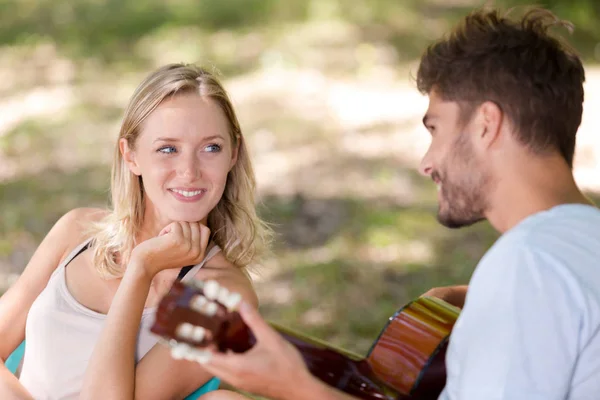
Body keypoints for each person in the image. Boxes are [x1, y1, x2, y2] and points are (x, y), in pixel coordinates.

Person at [194, 6, 600, 400]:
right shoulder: (577, 247)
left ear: (485, 125)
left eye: (436, 129)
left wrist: (294, 388)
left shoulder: (527, 265)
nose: (428, 162)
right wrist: (481, 294)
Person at [0, 63, 272, 399]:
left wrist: (141, 270)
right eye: (167, 149)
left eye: (211, 148)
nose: (189, 172)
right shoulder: (77, 232)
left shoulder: (223, 296)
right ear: (131, 156)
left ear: (233, 155)